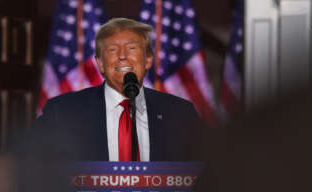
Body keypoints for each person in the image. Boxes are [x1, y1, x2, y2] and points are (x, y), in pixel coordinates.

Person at [31, 18, 202, 162]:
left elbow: (210, 177)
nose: (122, 55)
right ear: (100, 63)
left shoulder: (180, 113)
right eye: (112, 49)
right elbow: (32, 168)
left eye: (132, 48)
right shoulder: (62, 112)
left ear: (148, 60)